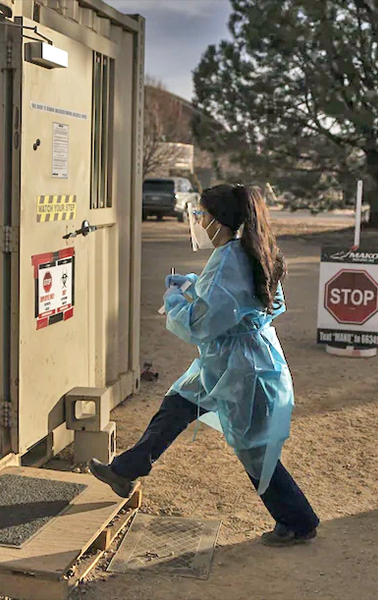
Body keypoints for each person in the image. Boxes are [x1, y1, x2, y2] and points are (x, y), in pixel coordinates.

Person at [89, 183, 320, 547]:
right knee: (177, 404)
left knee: (255, 451)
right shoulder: (251, 248)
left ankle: (299, 521)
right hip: (232, 359)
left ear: (220, 221)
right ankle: (127, 469)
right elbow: (240, 299)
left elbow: (201, 323)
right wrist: (196, 285)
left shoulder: (231, 257)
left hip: (242, 368)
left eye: (202, 216)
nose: (198, 222)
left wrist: (176, 299)